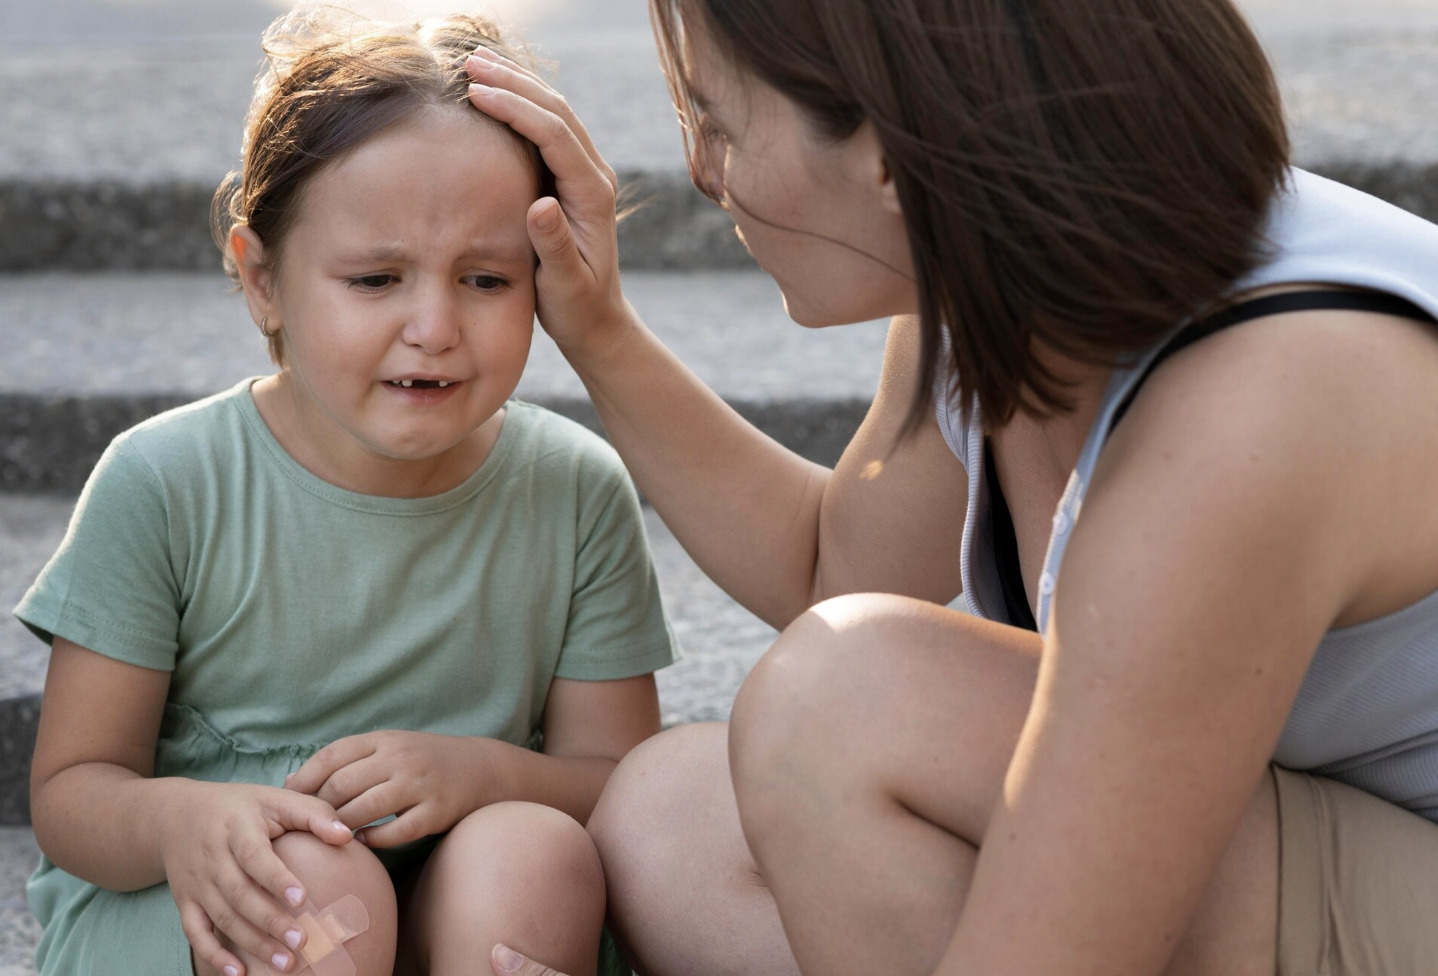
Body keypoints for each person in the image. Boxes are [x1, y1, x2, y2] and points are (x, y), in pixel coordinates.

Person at [464, 0, 1438, 974]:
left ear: (885, 155)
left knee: (840, 705)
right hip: (1326, 836)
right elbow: (830, 567)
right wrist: (597, 328)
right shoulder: (1003, 293)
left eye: (719, 125)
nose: (699, 171)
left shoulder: (1243, 421)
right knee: (672, 814)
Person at [16, 8, 678, 976]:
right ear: (262, 280)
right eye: (375, 279)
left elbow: (617, 781)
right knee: (317, 885)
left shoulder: (571, 486)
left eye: (487, 280)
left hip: (455, 901)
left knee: (530, 851)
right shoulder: (164, 480)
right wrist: (185, 819)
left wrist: (482, 770)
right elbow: (74, 791)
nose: (434, 325)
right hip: (216, 901)